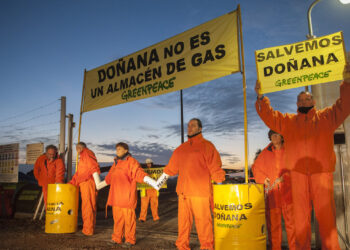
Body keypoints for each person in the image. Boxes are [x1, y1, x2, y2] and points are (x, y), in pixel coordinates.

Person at [254, 63, 350, 249]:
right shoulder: (288, 122)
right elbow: (270, 117)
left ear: (313, 102)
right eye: (300, 100)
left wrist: (346, 82)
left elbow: (345, 105)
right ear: (297, 104)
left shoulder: (327, 117)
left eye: (307, 99)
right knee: (300, 221)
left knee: (326, 219)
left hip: (321, 173)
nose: (304, 102)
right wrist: (261, 96)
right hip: (296, 175)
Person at [156, 118, 226, 250]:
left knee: (204, 223)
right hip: (183, 193)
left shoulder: (207, 146)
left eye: (193, 125)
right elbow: (170, 169)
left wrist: (220, 189)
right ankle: (182, 246)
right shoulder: (181, 149)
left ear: (200, 129)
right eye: (188, 125)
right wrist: (158, 184)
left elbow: (215, 167)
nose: (190, 127)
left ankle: (206, 247)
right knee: (183, 224)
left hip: (200, 193)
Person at [96, 142, 158, 248]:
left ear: (126, 150)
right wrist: (98, 182)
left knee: (129, 220)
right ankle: (116, 238)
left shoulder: (132, 162)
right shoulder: (116, 163)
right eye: (116, 149)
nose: (117, 151)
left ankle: (130, 240)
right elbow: (109, 178)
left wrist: (151, 181)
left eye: (119, 149)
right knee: (118, 220)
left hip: (127, 197)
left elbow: (138, 173)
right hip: (116, 198)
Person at [252, 130, 296, 250]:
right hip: (272, 197)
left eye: (277, 135)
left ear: (282, 137)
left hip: (290, 194)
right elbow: (255, 167)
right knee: (274, 227)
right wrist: (262, 178)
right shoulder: (265, 153)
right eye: (272, 135)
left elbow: (298, 167)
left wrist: (286, 177)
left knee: (292, 226)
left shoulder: (292, 151)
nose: (274, 137)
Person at [69, 142, 101, 236]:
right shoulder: (83, 156)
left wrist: (96, 180)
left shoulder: (87, 153)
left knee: (88, 206)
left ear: (83, 147)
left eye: (79, 147)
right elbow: (79, 173)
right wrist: (72, 183)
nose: (77, 149)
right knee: (88, 206)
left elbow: (93, 166)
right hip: (85, 183)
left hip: (88, 183)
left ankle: (88, 230)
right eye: (76, 147)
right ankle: (89, 228)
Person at [138, 158, 160, 222]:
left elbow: (158, 179)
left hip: (154, 190)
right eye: (147, 164)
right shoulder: (142, 171)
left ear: (152, 164)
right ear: (146, 164)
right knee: (144, 206)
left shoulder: (156, 171)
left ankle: (155, 217)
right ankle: (142, 218)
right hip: (145, 191)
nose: (149, 165)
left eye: (150, 163)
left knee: (154, 205)